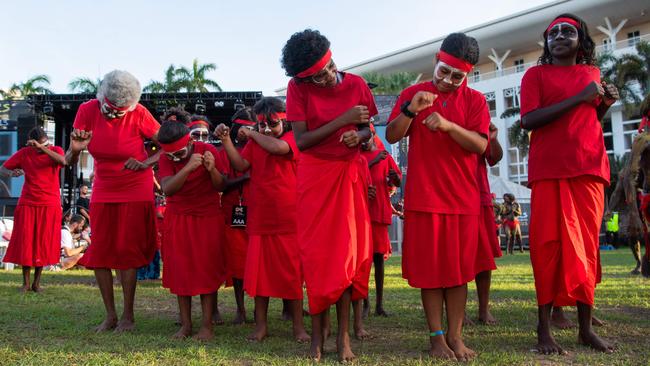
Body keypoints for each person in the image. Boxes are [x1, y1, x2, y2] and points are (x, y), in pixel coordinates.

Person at [385, 33, 489, 361]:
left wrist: (448, 126)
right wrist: (409, 110)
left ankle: (456, 338)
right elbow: (391, 134)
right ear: (436, 61)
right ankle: (436, 338)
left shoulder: (474, 101)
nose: (447, 81)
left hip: (463, 199)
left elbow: (481, 145)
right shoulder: (413, 94)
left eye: (457, 76)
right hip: (424, 198)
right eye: (443, 71)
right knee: (431, 274)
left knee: (458, 273)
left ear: (467, 75)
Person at [520, 13, 618, 354]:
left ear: (581, 40)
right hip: (548, 169)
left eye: (568, 31)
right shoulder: (535, 74)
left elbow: (588, 119)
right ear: (547, 43)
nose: (559, 36)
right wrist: (580, 96)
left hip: (589, 167)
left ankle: (584, 330)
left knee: (587, 249)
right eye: (553, 33)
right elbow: (528, 120)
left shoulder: (592, 73)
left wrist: (603, 103)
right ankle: (544, 330)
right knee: (547, 247)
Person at [282, 29, 375, 361]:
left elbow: (369, 129)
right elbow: (302, 141)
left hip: (348, 177)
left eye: (327, 71)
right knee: (318, 258)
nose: (324, 80)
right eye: (315, 78)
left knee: (347, 258)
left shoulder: (358, 85)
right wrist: (343, 121)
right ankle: (317, 338)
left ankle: (344, 338)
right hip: (314, 177)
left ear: (332, 59)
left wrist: (359, 136)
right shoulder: (298, 88)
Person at [66, 70, 161, 333]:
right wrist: (75, 149)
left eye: (123, 110)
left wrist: (145, 163)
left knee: (126, 251)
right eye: (113, 109)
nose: (118, 113)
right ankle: (110, 316)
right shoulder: (87, 110)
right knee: (102, 250)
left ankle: (128, 316)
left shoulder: (139, 112)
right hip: (104, 187)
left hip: (135, 186)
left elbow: (169, 145)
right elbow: (68, 160)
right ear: (102, 98)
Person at [215, 96, 310, 343]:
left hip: (289, 219)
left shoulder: (291, 139)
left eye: (272, 123)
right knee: (259, 278)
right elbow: (240, 163)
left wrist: (254, 134)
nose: (266, 128)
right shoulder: (257, 143)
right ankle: (261, 326)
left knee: (291, 276)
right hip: (260, 219)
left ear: (286, 122)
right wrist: (226, 141)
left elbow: (277, 148)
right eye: (262, 124)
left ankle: (298, 327)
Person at [157, 120, 227, 341]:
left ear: (189, 141)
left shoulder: (208, 150)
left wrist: (212, 169)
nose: (175, 158)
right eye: (171, 156)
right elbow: (168, 189)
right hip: (178, 218)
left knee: (206, 269)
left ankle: (207, 326)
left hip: (207, 218)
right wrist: (187, 167)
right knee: (180, 270)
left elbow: (221, 185)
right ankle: (186, 325)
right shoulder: (164, 158)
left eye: (179, 153)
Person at [0, 127, 65, 292]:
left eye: (41, 144)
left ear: (45, 141)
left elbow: (63, 162)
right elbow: (3, 168)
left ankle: (37, 283)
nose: (37, 148)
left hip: (49, 203)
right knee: (26, 241)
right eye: (35, 145)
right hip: (28, 202)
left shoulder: (55, 150)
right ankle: (26, 283)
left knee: (43, 242)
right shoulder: (25, 153)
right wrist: (12, 173)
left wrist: (42, 147)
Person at [217, 107, 255, 325]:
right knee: (238, 261)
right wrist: (245, 178)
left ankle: (287, 307)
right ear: (235, 127)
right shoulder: (224, 152)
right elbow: (221, 183)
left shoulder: (261, 147)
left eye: (251, 127)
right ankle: (241, 310)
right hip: (232, 210)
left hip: (258, 209)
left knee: (262, 259)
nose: (246, 132)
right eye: (243, 127)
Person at [360, 126, 402, 318]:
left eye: (368, 136)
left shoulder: (384, 156)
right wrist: (374, 161)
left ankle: (379, 304)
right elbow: (355, 174)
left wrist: (394, 178)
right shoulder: (357, 157)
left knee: (378, 259)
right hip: (360, 213)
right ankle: (365, 302)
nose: (364, 140)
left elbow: (397, 181)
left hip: (378, 212)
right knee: (363, 261)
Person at [470, 122, 504, 325]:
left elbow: (495, 158)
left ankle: (484, 309)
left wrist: (492, 136)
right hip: (452, 196)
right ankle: (458, 311)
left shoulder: (478, 129)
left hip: (479, 196)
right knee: (456, 258)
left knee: (483, 257)